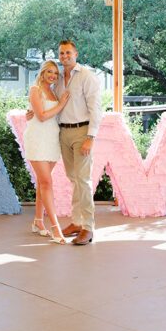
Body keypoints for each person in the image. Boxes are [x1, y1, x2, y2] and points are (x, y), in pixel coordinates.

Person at [54, 39, 102, 245]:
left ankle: (88, 228)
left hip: (82, 132)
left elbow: (96, 110)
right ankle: (76, 222)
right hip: (63, 132)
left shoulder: (87, 77)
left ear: (76, 54)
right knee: (73, 178)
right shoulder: (57, 78)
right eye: (62, 53)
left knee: (83, 180)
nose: (65, 56)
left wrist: (90, 138)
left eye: (68, 53)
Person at [24, 60, 70, 244]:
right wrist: (60, 105)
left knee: (43, 183)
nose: (52, 75)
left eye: (55, 73)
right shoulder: (36, 89)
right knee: (46, 182)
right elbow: (41, 116)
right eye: (49, 72)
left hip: (52, 139)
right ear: (43, 73)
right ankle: (55, 227)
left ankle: (37, 222)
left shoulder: (54, 91)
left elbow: (43, 114)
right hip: (37, 138)